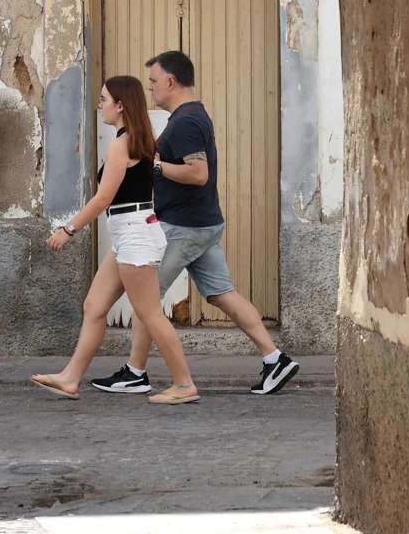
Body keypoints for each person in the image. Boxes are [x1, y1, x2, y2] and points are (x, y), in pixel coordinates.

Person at [90, 51, 300, 396]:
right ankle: (274, 358)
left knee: (146, 298)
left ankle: (135, 372)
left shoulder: (186, 122)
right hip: (202, 223)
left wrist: (154, 166)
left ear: (170, 82)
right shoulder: (190, 116)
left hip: (183, 226)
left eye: (154, 82)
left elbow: (198, 173)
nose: (151, 89)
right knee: (221, 294)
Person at [31, 75, 200, 405]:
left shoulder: (121, 145)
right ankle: (69, 378)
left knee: (149, 313)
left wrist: (67, 230)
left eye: (104, 99)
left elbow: (102, 198)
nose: (100, 105)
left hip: (135, 235)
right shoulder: (137, 141)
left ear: (120, 106)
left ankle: (184, 384)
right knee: (94, 306)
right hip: (131, 232)